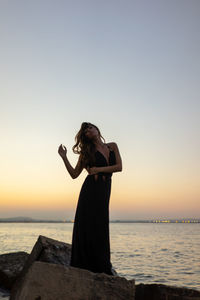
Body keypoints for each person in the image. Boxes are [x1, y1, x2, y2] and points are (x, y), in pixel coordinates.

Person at [58, 122, 122, 275]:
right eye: (85, 131)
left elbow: (119, 167)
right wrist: (64, 157)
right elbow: (74, 174)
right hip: (90, 191)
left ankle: (102, 264)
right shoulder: (86, 152)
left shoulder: (112, 146)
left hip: (104, 189)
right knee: (87, 225)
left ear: (97, 129)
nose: (88, 131)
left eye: (90, 127)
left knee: (101, 224)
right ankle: (84, 265)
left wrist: (97, 169)